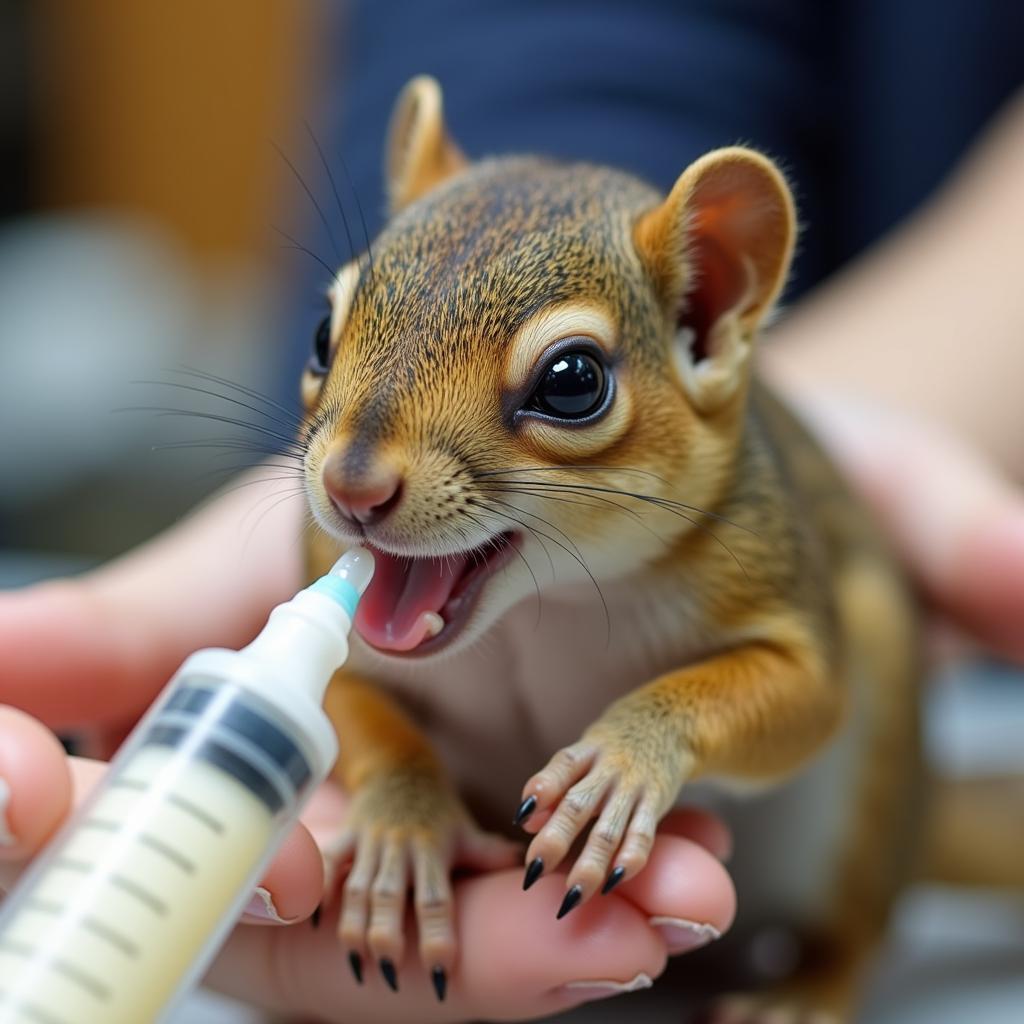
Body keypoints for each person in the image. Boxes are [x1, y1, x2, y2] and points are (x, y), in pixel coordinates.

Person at [2, 3, 1023, 1020]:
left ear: (706, 316)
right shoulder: (342, 526)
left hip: (777, 836)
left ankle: (825, 961)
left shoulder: (729, 533)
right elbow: (358, 690)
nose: (355, 482)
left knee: (870, 625)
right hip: (522, 846)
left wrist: (659, 732)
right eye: (332, 345)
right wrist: (397, 784)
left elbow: (800, 686)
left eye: (566, 384)